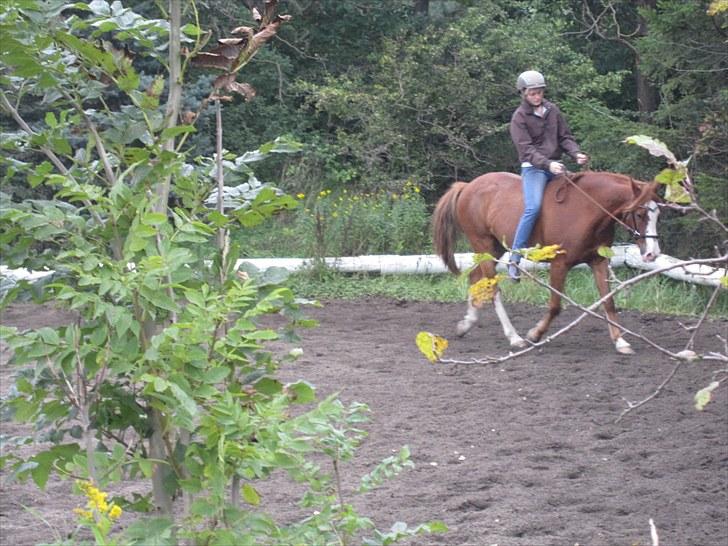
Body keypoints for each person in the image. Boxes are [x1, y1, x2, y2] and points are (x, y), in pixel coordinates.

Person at [508, 70, 589, 281]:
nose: (537, 96)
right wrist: (548, 164)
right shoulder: (519, 118)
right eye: (532, 93)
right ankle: (514, 258)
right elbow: (526, 150)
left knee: (579, 196)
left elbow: (565, 137)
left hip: (556, 166)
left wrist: (576, 153)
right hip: (534, 168)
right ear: (523, 93)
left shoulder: (553, 110)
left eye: (540, 92)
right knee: (533, 207)